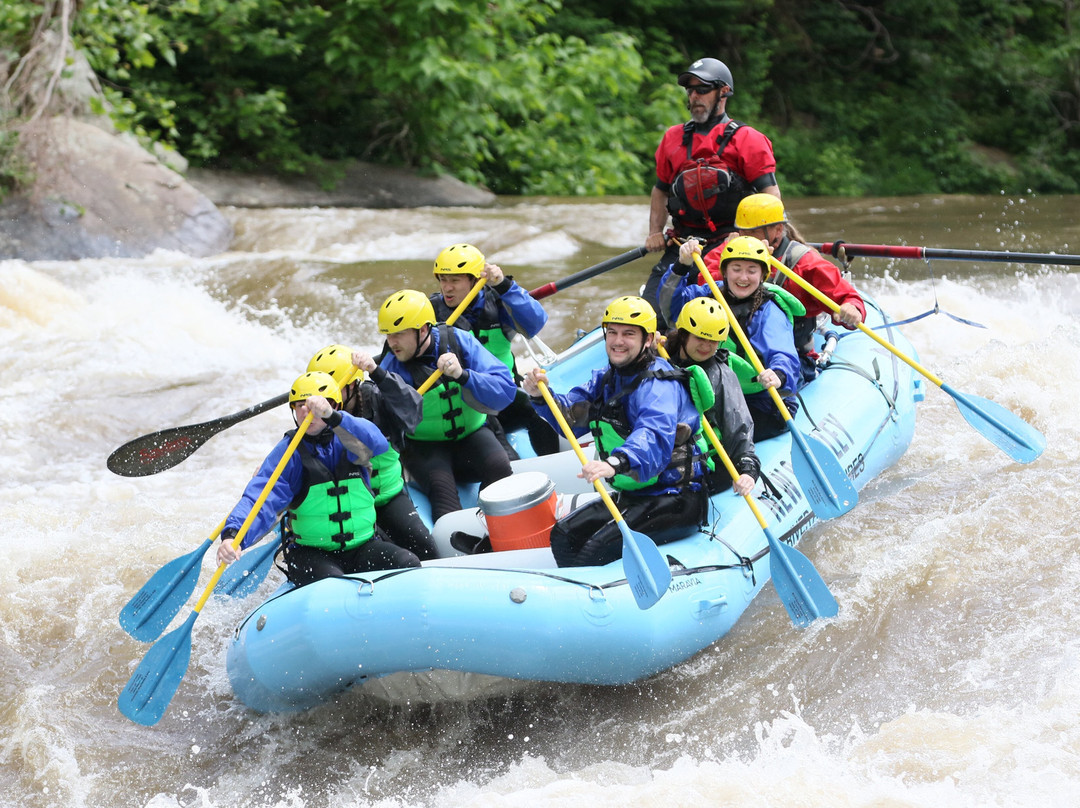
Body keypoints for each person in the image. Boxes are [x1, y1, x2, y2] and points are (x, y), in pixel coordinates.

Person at [522, 296, 709, 567]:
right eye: (613, 333)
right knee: (563, 536)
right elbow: (572, 418)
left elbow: (652, 435)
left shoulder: (659, 385)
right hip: (636, 493)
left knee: (591, 552)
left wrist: (615, 462)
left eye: (629, 334)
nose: (618, 341)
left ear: (648, 340)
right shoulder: (607, 377)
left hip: (677, 497)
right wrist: (540, 396)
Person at [216, 371, 421, 586]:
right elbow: (260, 498)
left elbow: (377, 442)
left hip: (362, 547)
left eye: (313, 404)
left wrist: (334, 417)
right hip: (312, 554)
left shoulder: (351, 441)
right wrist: (233, 534)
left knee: (408, 562)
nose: (306, 410)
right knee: (334, 586)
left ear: (334, 406)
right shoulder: (288, 453)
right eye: (299, 405)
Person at [643, 57, 782, 330]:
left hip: (732, 243)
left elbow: (770, 194)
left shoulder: (748, 140)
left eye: (702, 89)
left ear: (724, 92)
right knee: (652, 314)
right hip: (684, 244)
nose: (695, 96)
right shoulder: (673, 138)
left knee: (718, 314)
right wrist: (654, 232)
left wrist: (764, 240)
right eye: (690, 90)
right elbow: (660, 190)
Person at [377, 289, 517, 523]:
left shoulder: (460, 342)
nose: (392, 342)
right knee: (443, 492)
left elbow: (505, 390)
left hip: (472, 435)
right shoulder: (391, 369)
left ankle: (495, 525)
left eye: (399, 334)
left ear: (423, 330)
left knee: (500, 466)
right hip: (424, 448)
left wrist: (464, 376)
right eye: (388, 335)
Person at [659, 235, 801, 441]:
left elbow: (782, 351)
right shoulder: (710, 292)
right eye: (736, 269)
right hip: (715, 392)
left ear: (762, 275)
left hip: (760, 399)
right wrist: (682, 265)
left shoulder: (769, 311)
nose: (743, 277)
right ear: (725, 271)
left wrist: (778, 373)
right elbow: (671, 310)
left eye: (751, 271)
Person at [306, 344, 438, 560]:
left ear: (352, 385)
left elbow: (413, 410)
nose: (327, 398)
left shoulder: (377, 397)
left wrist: (377, 372)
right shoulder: (313, 418)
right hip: (352, 509)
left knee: (425, 546)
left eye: (334, 389)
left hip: (386, 499)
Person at [430, 243, 559, 456]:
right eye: (443, 280)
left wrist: (505, 286)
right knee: (508, 459)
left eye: (455, 280)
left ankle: (553, 465)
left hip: (502, 393)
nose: (447, 287)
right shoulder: (431, 312)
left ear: (475, 281)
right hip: (466, 404)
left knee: (540, 413)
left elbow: (535, 323)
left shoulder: (499, 301)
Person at [730, 193, 865, 381]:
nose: (745, 238)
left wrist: (852, 309)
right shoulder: (729, 254)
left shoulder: (806, 264)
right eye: (741, 232)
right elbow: (706, 287)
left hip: (793, 358)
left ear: (777, 230)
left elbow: (847, 297)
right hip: (738, 358)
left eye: (753, 232)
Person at [664, 297, 760, 495]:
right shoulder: (661, 358)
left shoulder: (721, 374)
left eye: (713, 340)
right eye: (700, 338)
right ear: (683, 335)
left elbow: (738, 424)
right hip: (664, 458)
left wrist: (747, 468)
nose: (707, 346)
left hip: (706, 467)